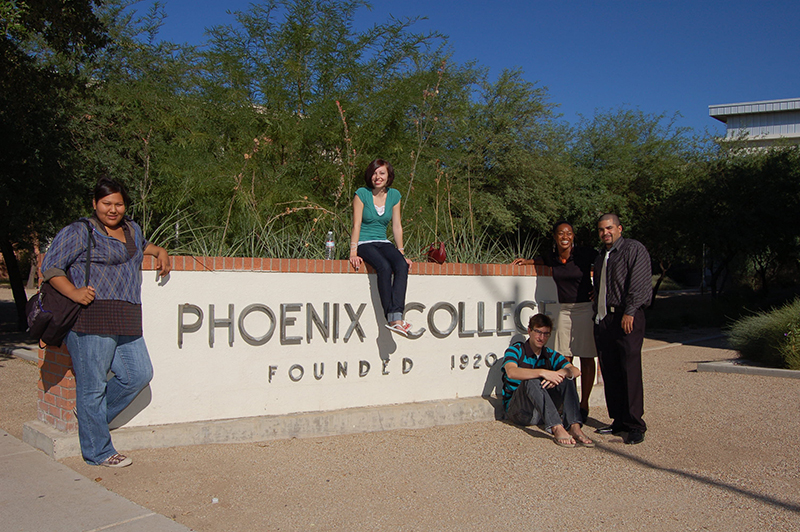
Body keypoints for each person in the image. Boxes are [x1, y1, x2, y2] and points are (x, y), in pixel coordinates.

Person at [41, 177, 170, 467]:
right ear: (95, 203)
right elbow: (51, 266)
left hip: (126, 317)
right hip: (90, 319)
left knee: (138, 375)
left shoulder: (132, 229)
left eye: (118, 204)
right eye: (106, 203)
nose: (113, 209)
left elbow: (141, 247)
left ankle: (90, 419)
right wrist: (74, 292)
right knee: (93, 387)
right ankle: (98, 452)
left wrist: (159, 251)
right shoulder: (80, 231)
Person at [513, 221, 599, 422]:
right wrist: (526, 262)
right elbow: (541, 260)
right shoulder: (552, 258)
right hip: (564, 310)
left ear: (573, 235)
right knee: (565, 358)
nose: (565, 237)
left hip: (585, 308)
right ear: (555, 236)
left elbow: (605, 264)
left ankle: (584, 404)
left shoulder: (584, 254)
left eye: (569, 233)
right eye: (561, 233)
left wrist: (599, 288)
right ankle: (569, 404)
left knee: (587, 358)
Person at [592, 213, 651, 445]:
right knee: (610, 369)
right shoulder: (602, 256)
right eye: (601, 229)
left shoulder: (633, 249)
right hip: (604, 318)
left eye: (609, 228)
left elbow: (639, 283)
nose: (605, 233)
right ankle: (619, 420)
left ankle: (635, 424)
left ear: (619, 228)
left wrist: (631, 310)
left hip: (626, 316)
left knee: (630, 369)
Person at [501, 313, 595, 448]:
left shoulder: (549, 354)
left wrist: (559, 374)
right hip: (520, 411)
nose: (541, 337)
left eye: (546, 334)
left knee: (567, 377)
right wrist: (543, 373)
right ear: (529, 331)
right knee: (532, 380)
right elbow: (511, 372)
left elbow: (576, 371)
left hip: (543, 412)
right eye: (538, 332)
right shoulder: (516, 350)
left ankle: (574, 426)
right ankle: (557, 428)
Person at [349, 159, 413, 337]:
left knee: (401, 265)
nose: (377, 177)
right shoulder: (361, 194)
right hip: (364, 243)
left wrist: (401, 253)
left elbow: (397, 226)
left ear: (388, 176)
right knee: (383, 267)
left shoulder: (394, 196)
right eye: (374, 173)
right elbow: (356, 224)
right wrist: (353, 252)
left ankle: (397, 316)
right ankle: (392, 318)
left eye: (382, 173)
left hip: (383, 241)